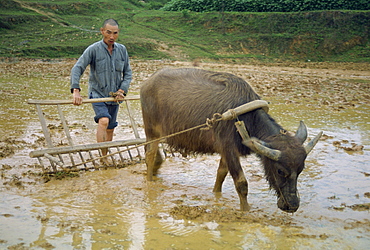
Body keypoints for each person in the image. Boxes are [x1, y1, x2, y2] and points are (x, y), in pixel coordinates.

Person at [70, 18, 132, 164]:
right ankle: (102, 157)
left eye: (115, 33)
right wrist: (76, 90)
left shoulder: (122, 50)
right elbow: (77, 68)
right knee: (104, 120)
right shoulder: (93, 49)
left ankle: (105, 155)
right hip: (97, 93)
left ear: (118, 33)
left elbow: (128, 73)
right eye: (108, 32)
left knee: (110, 128)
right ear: (102, 31)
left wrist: (122, 90)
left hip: (115, 96)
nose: (111, 36)